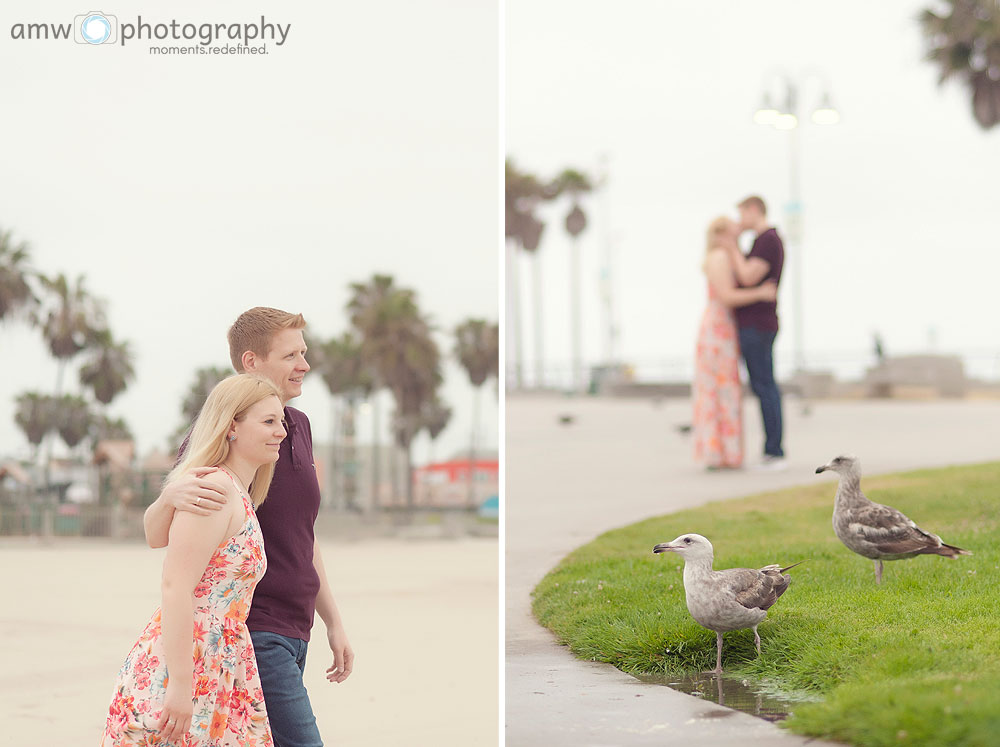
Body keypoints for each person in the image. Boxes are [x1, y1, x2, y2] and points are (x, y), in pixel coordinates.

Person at [143, 307, 354, 747]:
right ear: (252, 362)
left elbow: (303, 536)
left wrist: (332, 621)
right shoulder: (223, 440)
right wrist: (168, 496)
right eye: (291, 354)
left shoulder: (297, 428)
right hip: (254, 630)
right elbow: (163, 536)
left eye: (304, 352)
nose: (304, 365)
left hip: (297, 629)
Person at [101, 374, 285, 746]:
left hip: (223, 658)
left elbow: (158, 538)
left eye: (280, 421)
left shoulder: (239, 492)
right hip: (191, 659)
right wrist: (181, 685)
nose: (280, 431)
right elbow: (175, 585)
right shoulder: (215, 489)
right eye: (268, 422)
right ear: (231, 426)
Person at [693, 216, 777, 470]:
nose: (737, 239)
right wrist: (760, 293)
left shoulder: (726, 256)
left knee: (728, 390)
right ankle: (717, 452)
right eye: (732, 234)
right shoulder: (718, 258)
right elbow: (727, 296)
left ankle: (726, 452)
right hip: (717, 331)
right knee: (720, 391)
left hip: (725, 330)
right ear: (719, 235)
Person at [725, 195, 786, 469]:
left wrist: (731, 247)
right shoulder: (760, 242)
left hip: (758, 325)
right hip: (755, 324)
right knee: (763, 386)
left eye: (742, 214)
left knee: (765, 386)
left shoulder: (768, 240)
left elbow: (749, 276)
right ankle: (772, 449)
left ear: (753, 210)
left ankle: (774, 450)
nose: (740, 221)